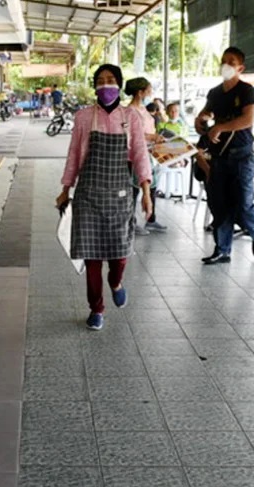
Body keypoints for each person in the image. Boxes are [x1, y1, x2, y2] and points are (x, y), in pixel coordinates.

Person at [56, 64, 153, 331]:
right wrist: (66, 189)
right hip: (88, 196)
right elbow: (74, 155)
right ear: (95, 86)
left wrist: (146, 193)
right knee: (92, 258)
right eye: (100, 80)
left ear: (119, 85)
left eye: (111, 80)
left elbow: (141, 155)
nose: (105, 85)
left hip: (120, 196)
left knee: (119, 256)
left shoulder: (131, 118)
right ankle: (96, 308)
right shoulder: (84, 117)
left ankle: (116, 282)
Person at [196, 47, 254, 264]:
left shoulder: (247, 91)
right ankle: (222, 249)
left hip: (242, 155)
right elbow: (206, 114)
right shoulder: (215, 93)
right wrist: (201, 120)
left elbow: (248, 119)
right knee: (219, 204)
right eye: (223, 60)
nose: (226, 65)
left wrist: (221, 127)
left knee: (243, 203)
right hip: (219, 156)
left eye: (231, 62)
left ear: (240, 68)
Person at [126, 77, 167, 234]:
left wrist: (156, 137)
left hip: (149, 153)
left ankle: (151, 219)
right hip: (135, 154)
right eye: (149, 90)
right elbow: (131, 134)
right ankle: (131, 222)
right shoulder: (130, 111)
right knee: (135, 189)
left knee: (152, 186)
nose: (151, 93)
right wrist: (151, 137)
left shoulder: (143, 109)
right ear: (140, 92)